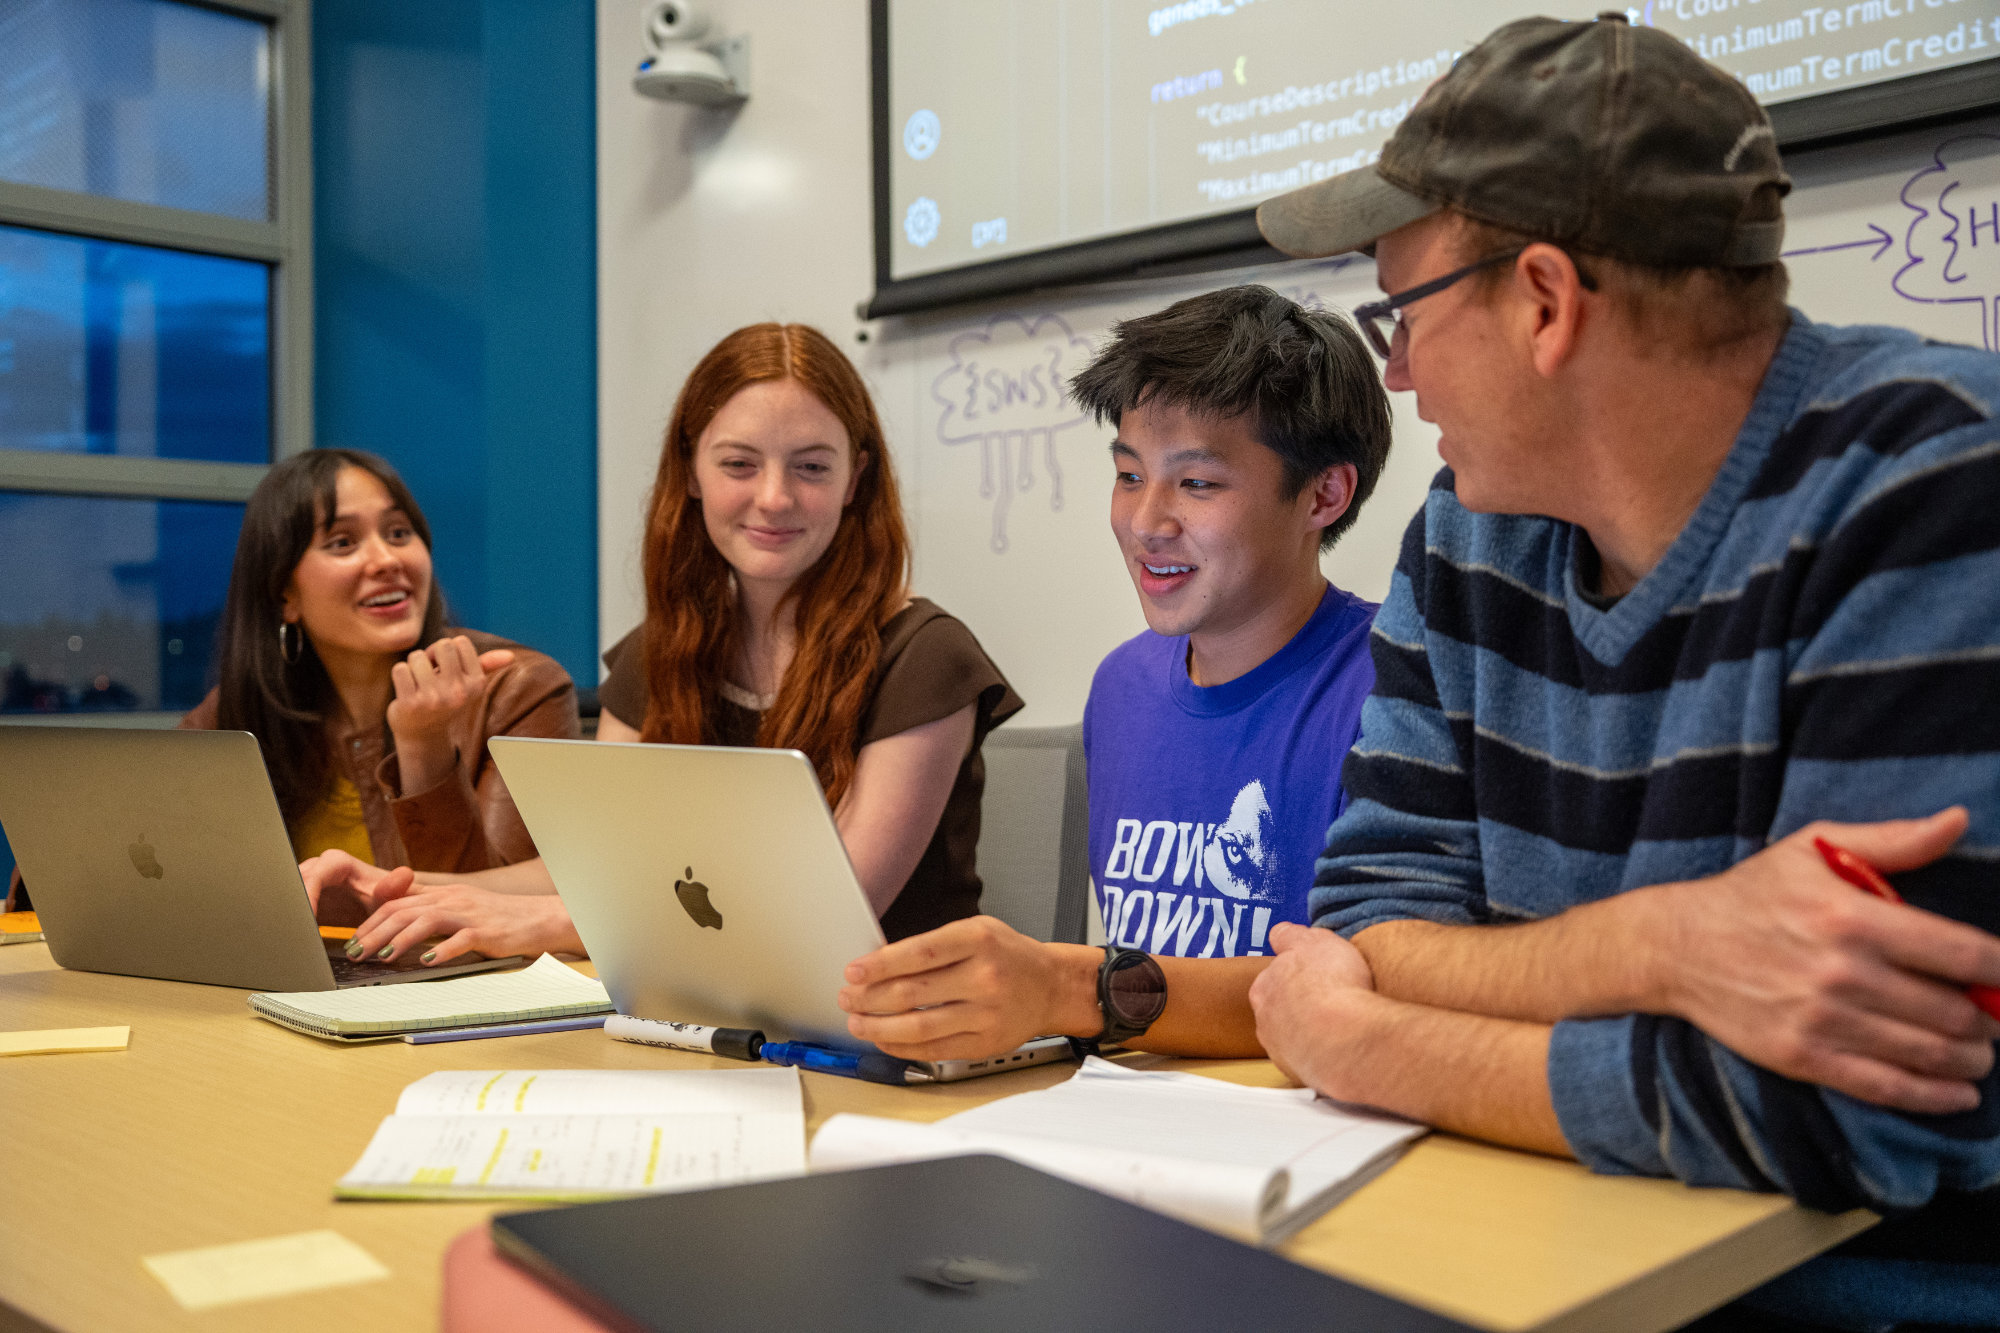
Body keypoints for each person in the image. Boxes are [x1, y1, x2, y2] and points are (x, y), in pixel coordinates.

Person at [1244, 15, 2000, 1329]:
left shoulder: (1936, 488)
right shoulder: (1469, 532)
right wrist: (1668, 948)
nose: (1401, 371)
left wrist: (1377, 1048)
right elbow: (1367, 921)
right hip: (1525, 1255)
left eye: (1399, 311)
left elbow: (1848, 1122)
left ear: (1544, 301)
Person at [320, 322, 1023, 963]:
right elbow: (597, 870)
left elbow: (825, 917)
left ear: (854, 479)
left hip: (894, 1045)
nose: (775, 497)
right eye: (739, 464)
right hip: (707, 1019)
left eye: (811, 466)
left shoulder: (926, 655)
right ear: (689, 471)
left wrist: (542, 923)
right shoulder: (661, 649)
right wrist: (387, 889)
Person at [838, 285, 1391, 1060]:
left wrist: (1067, 986)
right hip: (1129, 1118)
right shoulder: (1123, 688)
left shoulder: (1392, 689)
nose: (1146, 521)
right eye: (1130, 475)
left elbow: (1355, 990)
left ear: (1324, 494)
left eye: (1196, 483)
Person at [4, 449, 577, 917]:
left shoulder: (516, 688)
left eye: (399, 533)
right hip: (293, 998)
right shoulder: (244, 709)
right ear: (285, 594)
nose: (384, 559)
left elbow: (490, 920)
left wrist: (424, 744)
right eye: (343, 543)